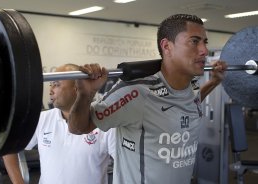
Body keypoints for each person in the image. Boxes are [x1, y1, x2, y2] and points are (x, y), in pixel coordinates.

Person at [68, 14, 227, 184]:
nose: (203, 50)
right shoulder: (136, 92)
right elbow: (78, 128)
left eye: (205, 42)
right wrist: (86, 95)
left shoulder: (191, 88)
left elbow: (187, 102)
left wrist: (214, 82)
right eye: (194, 41)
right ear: (167, 46)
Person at [2, 64, 115, 184]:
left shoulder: (103, 122)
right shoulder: (42, 119)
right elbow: (9, 149)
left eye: (56, 84)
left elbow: (126, 162)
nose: (50, 90)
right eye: (51, 84)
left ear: (78, 87)